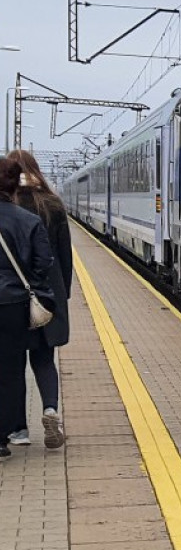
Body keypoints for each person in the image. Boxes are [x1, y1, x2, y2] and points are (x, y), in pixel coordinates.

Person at [6, 150, 71, 450]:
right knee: (45, 360)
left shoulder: (11, 206)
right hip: (45, 296)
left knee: (12, 365)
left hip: (11, 300)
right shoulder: (52, 204)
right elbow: (63, 256)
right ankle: (50, 410)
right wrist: (61, 296)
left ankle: (19, 430)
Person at [0, 155, 57, 462]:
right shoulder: (29, 219)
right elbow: (44, 262)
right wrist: (30, 286)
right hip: (14, 304)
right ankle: (6, 437)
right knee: (11, 371)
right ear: (14, 185)